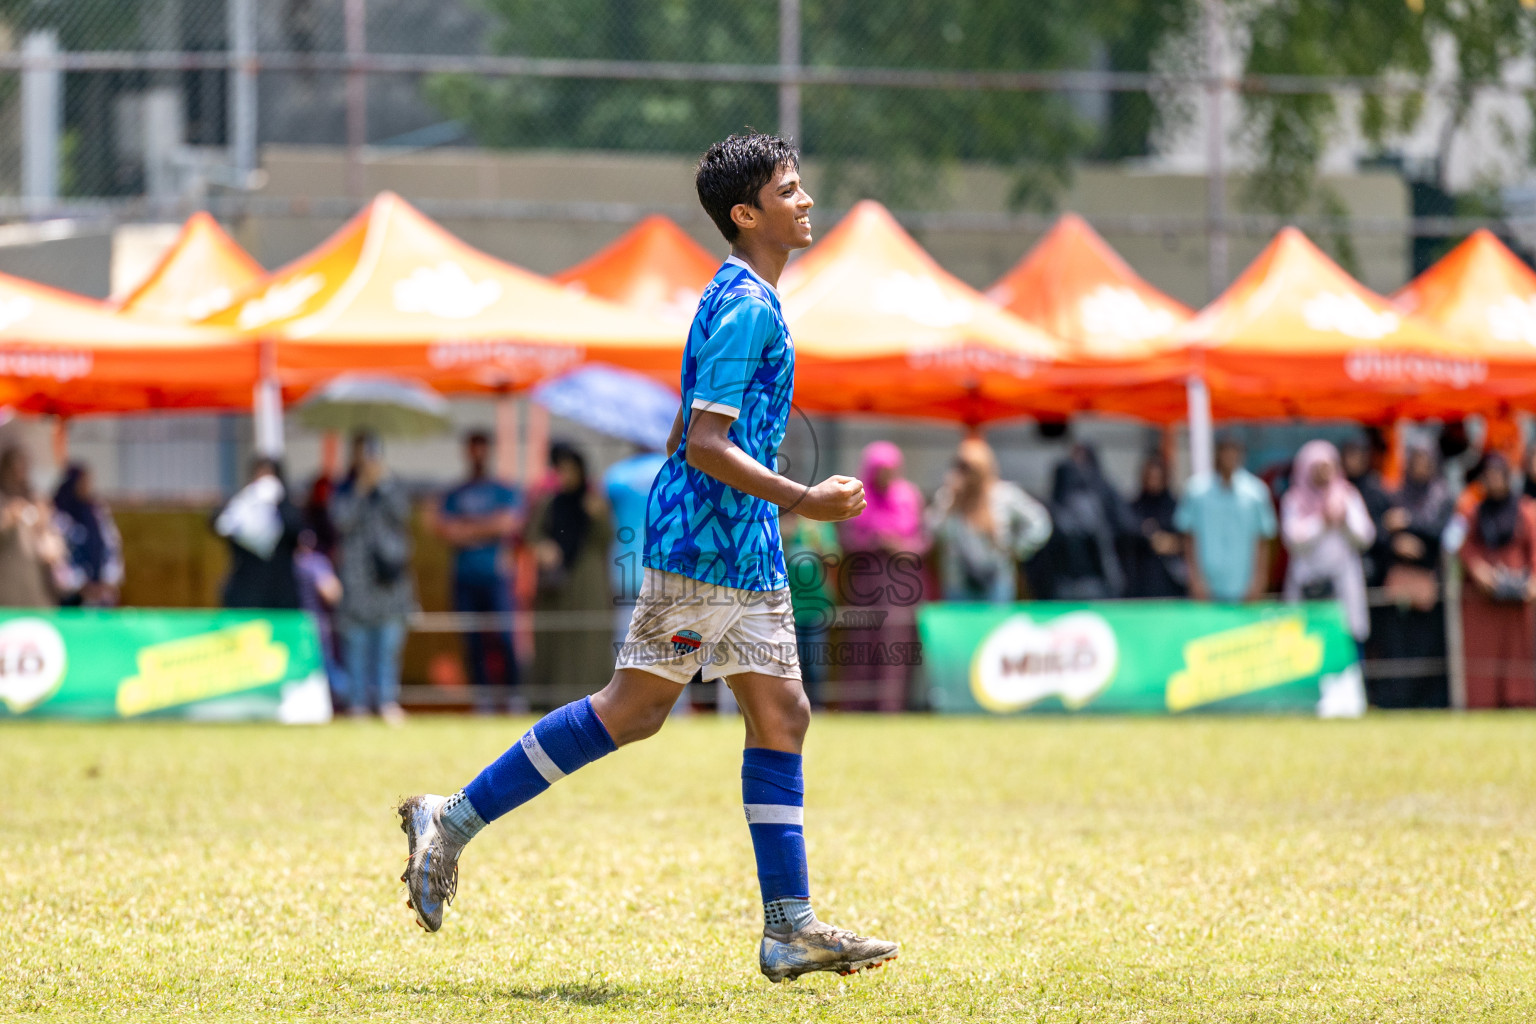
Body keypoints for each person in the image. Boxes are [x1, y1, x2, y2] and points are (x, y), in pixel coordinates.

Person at [396, 132, 897, 982]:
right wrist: (803, 499)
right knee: (631, 712)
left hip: (742, 548)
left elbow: (682, 428)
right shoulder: (744, 304)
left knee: (782, 718)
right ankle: (451, 820)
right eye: (790, 189)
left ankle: (790, 929)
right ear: (747, 214)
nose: (807, 200)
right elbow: (704, 443)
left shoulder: (747, 296)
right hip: (709, 548)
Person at [431, 431, 523, 714]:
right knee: (473, 641)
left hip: (495, 577)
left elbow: (508, 524)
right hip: (464, 577)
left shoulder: (503, 489)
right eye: (473, 448)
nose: (477, 454)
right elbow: (444, 530)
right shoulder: (455, 492)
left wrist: (467, 528)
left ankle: (513, 695)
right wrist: (487, 527)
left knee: (505, 638)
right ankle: (482, 698)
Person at [836, 441, 926, 711]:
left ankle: (891, 706)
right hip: (865, 582)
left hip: (901, 585)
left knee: (895, 645)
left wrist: (898, 546)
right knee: (862, 645)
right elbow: (846, 538)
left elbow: (923, 541)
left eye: (891, 470)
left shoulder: (908, 496)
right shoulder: (857, 497)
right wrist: (872, 541)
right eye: (881, 470)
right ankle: (857, 707)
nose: (886, 476)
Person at [331, 433, 414, 724]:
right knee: (355, 644)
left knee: (388, 646)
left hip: (389, 584)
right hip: (356, 583)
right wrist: (360, 489)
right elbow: (340, 521)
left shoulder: (393, 487)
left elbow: (402, 514)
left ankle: (386, 701)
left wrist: (384, 483)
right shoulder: (344, 489)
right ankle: (356, 703)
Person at [527, 442, 613, 709]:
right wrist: (543, 548)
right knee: (554, 643)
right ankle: (550, 703)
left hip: (587, 586)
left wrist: (597, 515)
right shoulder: (549, 503)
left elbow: (606, 539)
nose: (565, 476)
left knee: (587, 644)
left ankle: (591, 703)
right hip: (555, 586)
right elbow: (532, 535)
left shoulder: (595, 503)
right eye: (560, 470)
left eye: (570, 470)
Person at [1371, 442, 1453, 708]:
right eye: (1416, 460)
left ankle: (1427, 702)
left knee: (1428, 646)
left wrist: (1408, 523)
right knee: (1397, 645)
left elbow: (1442, 534)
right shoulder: (1397, 494)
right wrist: (1396, 543)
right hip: (1399, 585)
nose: (1421, 466)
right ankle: (1396, 701)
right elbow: (1379, 536)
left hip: (1430, 584)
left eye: (1426, 461)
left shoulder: (1442, 496)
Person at [928, 437, 1052, 602]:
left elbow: (1039, 523)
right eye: (960, 466)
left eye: (970, 467)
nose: (965, 473)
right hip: (958, 583)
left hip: (996, 582)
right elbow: (933, 531)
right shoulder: (949, 496)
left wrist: (1017, 549)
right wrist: (950, 503)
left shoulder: (1003, 494)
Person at [1458, 454, 1536, 708]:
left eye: (1498, 476)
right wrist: (1477, 569)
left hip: (1519, 599)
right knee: (1483, 656)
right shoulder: (1472, 512)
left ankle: (1519, 700)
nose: (1494, 482)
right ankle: (1483, 701)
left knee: (1518, 655)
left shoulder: (1526, 511)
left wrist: (1533, 581)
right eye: (1488, 477)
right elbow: (1460, 545)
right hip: (1483, 597)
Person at [1280, 441, 1376, 645]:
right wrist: (1321, 522)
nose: (1324, 474)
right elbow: (1292, 540)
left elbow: (1366, 537)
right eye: (1318, 469)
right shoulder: (1293, 500)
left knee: (1346, 657)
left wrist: (1344, 521)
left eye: (1328, 467)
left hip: (1344, 591)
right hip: (1309, 590)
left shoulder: (1348, 496)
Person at [1175, 435, 1277, 603]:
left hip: (1243, 585)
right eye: (1225, 451)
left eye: (1233, 452)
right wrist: (1194, 579)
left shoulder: (1256, 492)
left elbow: (1264, 539)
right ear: (1217, 454)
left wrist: (1259, 580)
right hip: (1207, 586)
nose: (1229, 457)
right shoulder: (1196, 491)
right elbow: (1188, 538)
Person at [215, 458, 303, 610]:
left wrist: (278, 503)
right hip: (246, 591)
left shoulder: (287, 508)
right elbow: (219, 523)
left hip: (279, 594)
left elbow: (295, 529)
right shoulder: (243, 503)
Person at [604, 442, 669, 645]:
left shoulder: (616, 476)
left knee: (626, 633)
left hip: (624, 565)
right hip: (663, 564)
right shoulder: (669, 471)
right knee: (664, 632)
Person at [1039, 445, 1126, 600]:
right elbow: (1103, 548)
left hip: (1069, 588)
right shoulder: (1087, 505)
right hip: (1086, 587)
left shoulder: (1051, 509)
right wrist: (1114, 581)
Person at [0, 445, 65, 607]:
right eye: (14, 469)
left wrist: (44, 524)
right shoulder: (4, 499)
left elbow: (54, 544)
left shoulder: (35, 497)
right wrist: (7, 519)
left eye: (22, 468)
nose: (18, 474)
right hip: (8, 587)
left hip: (38, 588)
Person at [52, 463, 124, 607]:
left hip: (101, 592)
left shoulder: (96, 512)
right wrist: (79, 584)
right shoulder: (59, 515)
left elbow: (112, 545)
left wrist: (108, 580)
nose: (86, 486)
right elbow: (57, 555)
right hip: (71, 596)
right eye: (82, 482)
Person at [293, 528, 347, 709]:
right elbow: (332, 592)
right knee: (327, 668)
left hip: (293, 626)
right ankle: (350, 699)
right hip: (315, 625)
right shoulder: (316, 562)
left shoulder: (291, 561)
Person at [1124, 456, 1186, 598]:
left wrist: (1173, 543)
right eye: (1149, 477)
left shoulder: (1176, 508)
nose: (1153, 481)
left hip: (1172, 585)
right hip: (1139, 585)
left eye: (1157, 477)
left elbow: (1189, 540)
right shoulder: (1133, 508)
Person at [1341, 438, 1393, 590]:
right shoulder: (1337, 489)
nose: (1352, 461)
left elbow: (1386, 527)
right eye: (1348, 455)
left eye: (1356, 455)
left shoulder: (1375, 490)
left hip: (1372, 557)